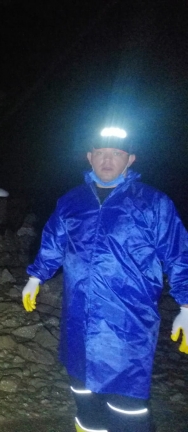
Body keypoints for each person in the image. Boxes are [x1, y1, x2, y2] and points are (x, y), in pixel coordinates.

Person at [21, 126, 188, 432]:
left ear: (130, 159)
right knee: (85, 403)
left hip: (129, 328)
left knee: (128, 413)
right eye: (100, 153)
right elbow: (53, 244)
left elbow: (179, 254)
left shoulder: (153, 203)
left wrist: (186, 305)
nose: (107, 160)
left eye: (117, 154)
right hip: (78, 324)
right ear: (89, 157)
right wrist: (36, 276)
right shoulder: (71, 201)